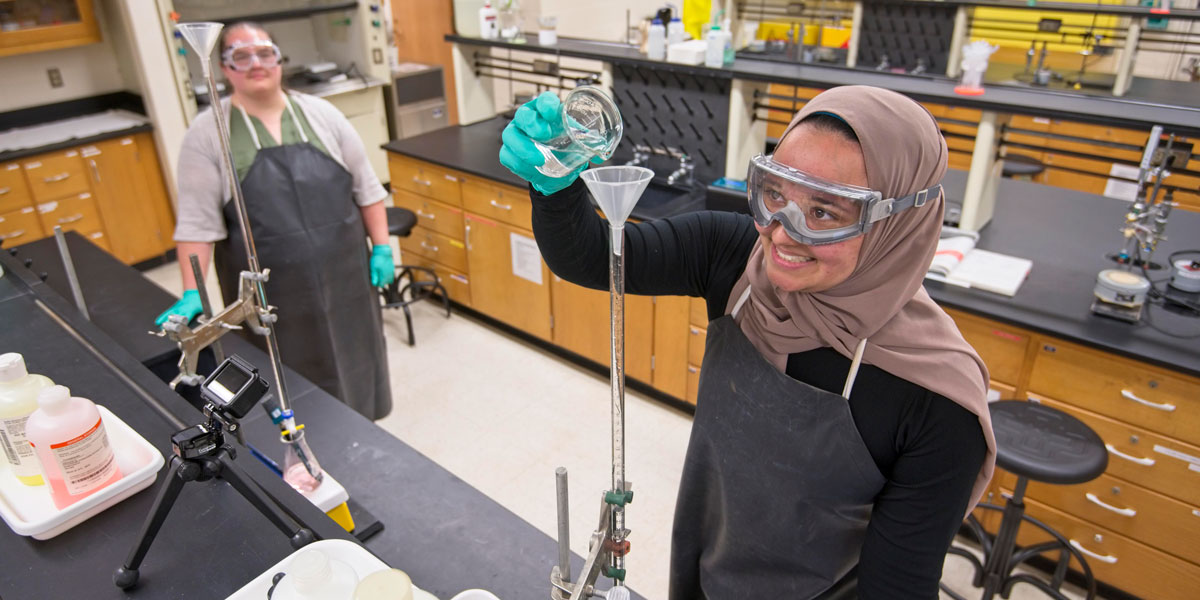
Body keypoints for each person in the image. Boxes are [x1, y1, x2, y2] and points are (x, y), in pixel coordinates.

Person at [500, 86, 996, 599]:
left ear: (899, 223)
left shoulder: (940, 404)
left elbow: (894, 590)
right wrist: (554, 184)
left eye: (825, 213)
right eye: (776, 195)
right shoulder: (738, 262)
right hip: (704, 570)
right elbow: (593, 258)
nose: (782, 233)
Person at [157, 22, 393, 420]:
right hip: (270, 294)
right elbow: (197, 225)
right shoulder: (207, 133)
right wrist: (190, 291)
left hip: (346, 277)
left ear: (279, 59)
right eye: (240, 56)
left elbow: (367, 190)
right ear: (224, 67)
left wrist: (383, 247)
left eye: (264, 53)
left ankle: (362, 427)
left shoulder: (322, 115)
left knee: (356, 359)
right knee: (287, 379)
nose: (255, 64)